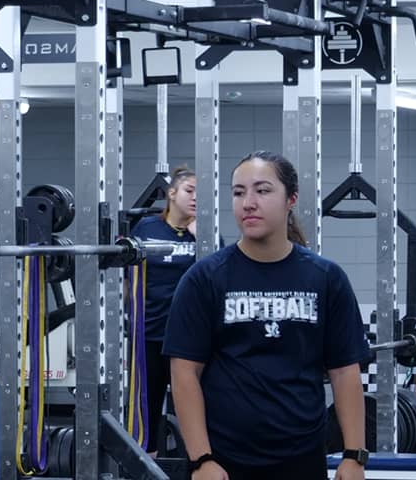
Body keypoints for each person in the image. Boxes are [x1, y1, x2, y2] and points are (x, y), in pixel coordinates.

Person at [164, 152, 371, 480]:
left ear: (291, 199)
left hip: (303, 458)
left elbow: (345, 372)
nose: (248, 202)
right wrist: (201, 459)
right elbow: (184, 373)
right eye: (238, 192)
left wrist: (354, 455)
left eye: (262, 190)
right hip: (224, 460)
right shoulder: (205, 278)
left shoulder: (325, 278)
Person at [125, 165, 199, 456]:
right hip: (150, 334)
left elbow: (218, 275)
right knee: (148, 408)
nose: (196, 198)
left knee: (193, 406)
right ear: (172, 193)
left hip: (189, 340)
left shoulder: (205, 233)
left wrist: (199, 234)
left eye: (201, 194)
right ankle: (148, 465)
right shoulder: (146, 229)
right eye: (190, 191)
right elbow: (125, 276)